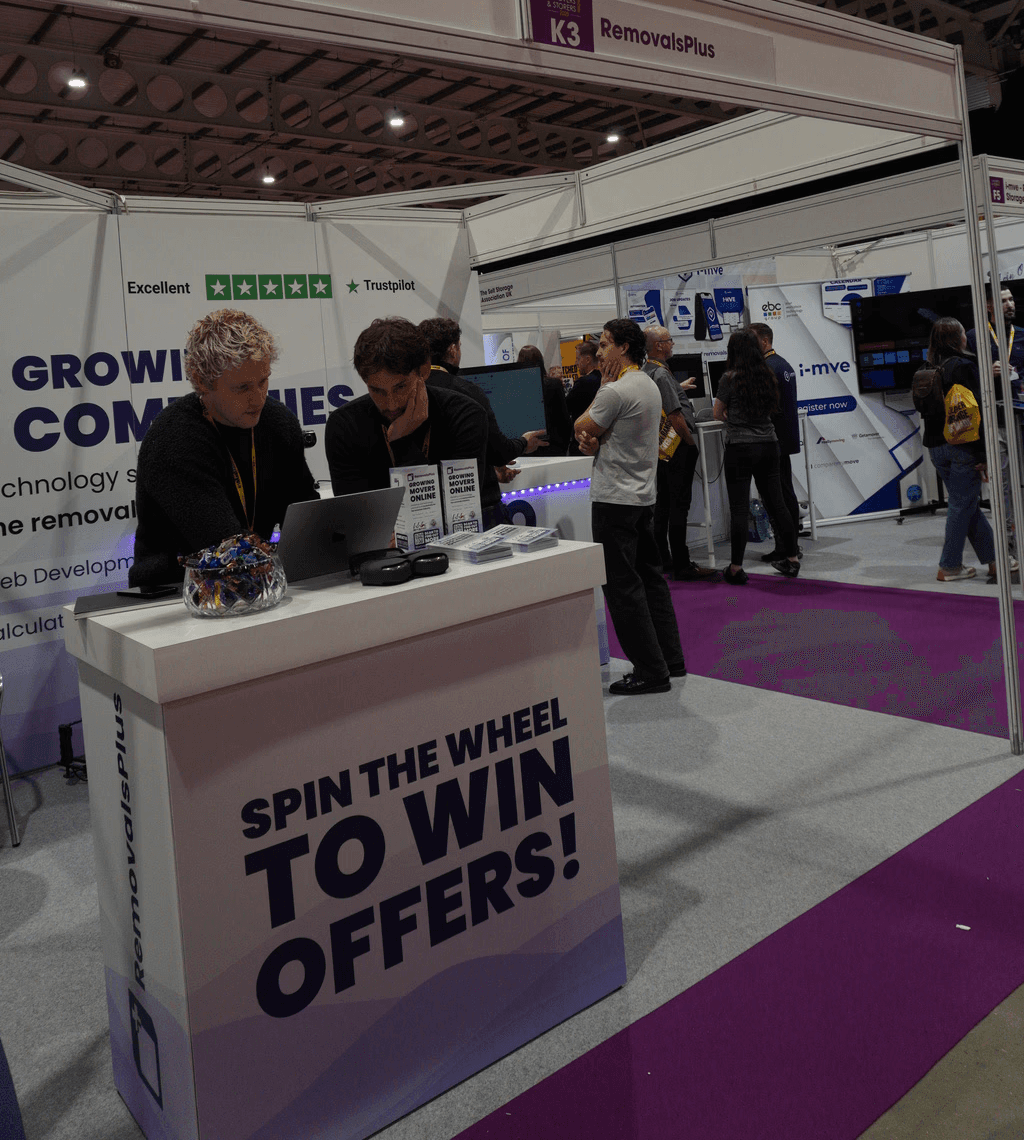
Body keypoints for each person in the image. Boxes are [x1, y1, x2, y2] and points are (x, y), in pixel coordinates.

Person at [129, 309, 318, 586]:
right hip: (173, 591)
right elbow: (221, 544)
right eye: (242, 388)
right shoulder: (173, 439)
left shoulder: (278, 422)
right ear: (202, 382)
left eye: (263, 381)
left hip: (257, 581)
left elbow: (304, 512)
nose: (258, 398)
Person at [574, 318, 686, 695]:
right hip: (641, 498)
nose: (600, 352)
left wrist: (602, 388)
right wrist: (595, 441)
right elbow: (599, 435)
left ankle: (651, 671)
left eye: (605, 345)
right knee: (650, 580)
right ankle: (671, 660)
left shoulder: (615, 390)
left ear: (623, 348)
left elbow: (581, 424)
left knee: (623, 588)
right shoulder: (650, 384)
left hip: (613, 501)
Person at [325, 317, 488, 497]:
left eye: (400, 387)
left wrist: (402, 441)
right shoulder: (345, 425)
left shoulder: (464, 416)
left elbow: (458, 504)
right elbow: (357, 517)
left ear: (424, 370)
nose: (391, 404)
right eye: (377, 390)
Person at [419, 317, 548, 527]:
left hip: (426, 511)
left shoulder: (412, 393)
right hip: (476, 506)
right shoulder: (467, 391)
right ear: (452, 350)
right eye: (459, 347)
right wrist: (524, 442)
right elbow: (499, 451)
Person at [713, 329, 800, 584]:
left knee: (739, 508)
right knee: (778, 503)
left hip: (740, 447)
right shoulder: (768, 375)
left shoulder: (729, 378)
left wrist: (731, 412)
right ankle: (792, 559)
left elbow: (717, 413)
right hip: (769, 445)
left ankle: (736, 568)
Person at [920, 317, 996, 582]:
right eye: (964, 332)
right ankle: (950, 565)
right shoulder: (964, 366)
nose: (967, 337)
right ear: (958, 338)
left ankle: (995, 560)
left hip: (935, 448)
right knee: (961, 505)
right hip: (963, 448)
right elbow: (976, 414)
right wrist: (983, 454)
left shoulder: (929, 366)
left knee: (966, 505)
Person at [643, 325, 715, 580]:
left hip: (661, 451)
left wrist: (678, 387)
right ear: (659, 345)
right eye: (669, 340)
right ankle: (683, 564)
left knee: (663, 506)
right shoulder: (661, 375)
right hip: (676, 448)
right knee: (678, 507)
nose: (672, 344)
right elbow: (675, 416)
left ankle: (665, 559)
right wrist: (691, 442)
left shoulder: (648, 371)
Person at [965, 281, 1024, 566]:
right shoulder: (975, 337)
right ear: (988, 306)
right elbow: (964, 384)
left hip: (1020, 417)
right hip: (995, 422)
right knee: (1003, 488)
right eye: (1003, 301)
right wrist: (987, 373)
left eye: (1011, 299)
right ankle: (1009, 551)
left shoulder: (1022, 335)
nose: (1010, 304)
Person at [749, 322, 803, 559]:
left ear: (764, 340)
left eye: (751, 340)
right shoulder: (782, 364)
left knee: (777, 496)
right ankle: (790, 546)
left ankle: (787, 548)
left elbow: (765, 407)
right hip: (784, 437)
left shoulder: (767, 367)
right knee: (785, 492)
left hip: (773, 440)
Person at [519, 345, 572, 455]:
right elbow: (564, 419)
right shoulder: (554, 384)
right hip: (553, 446)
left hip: (526, 446)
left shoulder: (517, 388)